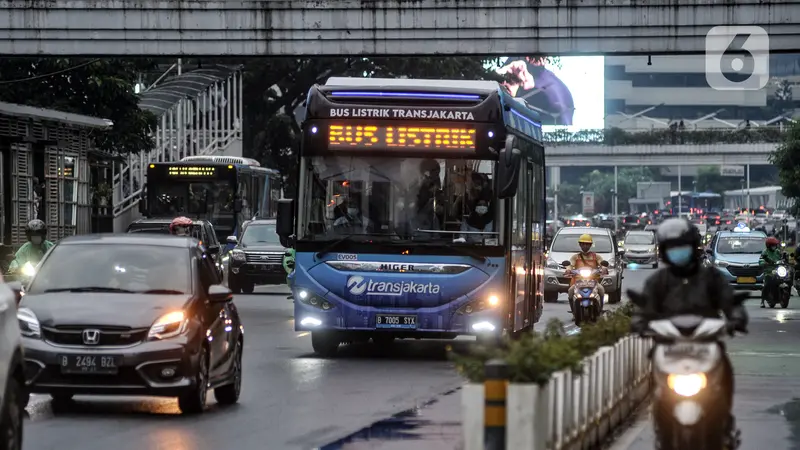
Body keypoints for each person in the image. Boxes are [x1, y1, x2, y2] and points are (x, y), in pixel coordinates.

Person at [629, 218, 748, 443]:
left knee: (725, 372)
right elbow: (644, 309)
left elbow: (730, 303)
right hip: (669, 347)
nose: (678, 252)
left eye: (682, 246)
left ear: (694, 247)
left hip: (706, 345)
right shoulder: (658, 281)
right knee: (658, 391)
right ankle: (662, 433)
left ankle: (725, 426)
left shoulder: (711, 277)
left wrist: (736, 318)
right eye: (672, 248)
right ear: (664, 252)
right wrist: (640, 323)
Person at [564, 234, 607, 312]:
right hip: (578, 282)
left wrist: (604, 268)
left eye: (587, 244)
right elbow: (570, 265)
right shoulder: (575, 257)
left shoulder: (596, 256)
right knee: (570, 291)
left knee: (601, 290)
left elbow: (602, 264)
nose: (585, 246)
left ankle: (600, 309)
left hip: (593, 282)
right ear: (580, 245)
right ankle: (573, 311)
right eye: (583, 244)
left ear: (590, 245)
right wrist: (568, 269)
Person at [759, 236, 782, 308]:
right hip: (768, 271)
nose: (774, 247)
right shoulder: (765, 252)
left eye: (775, 245)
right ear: (768, 246)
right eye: (772, 245)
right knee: (767, 284)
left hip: (778, 270)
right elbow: (761, 260)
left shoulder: (778, 251)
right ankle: (762, 301)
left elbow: (782, 258)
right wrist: (764, 263)